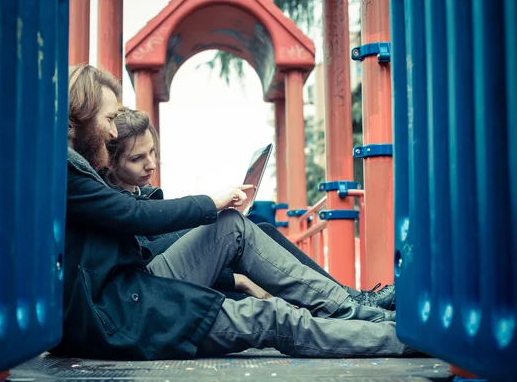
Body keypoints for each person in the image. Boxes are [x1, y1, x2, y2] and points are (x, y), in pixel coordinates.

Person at [53, 64, 414, 361]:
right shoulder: (69, 172)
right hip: (124, 315)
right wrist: (210, 202)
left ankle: (364, 313)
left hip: (132, 297)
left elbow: (135, 229)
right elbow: (135, 219)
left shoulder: (77, 170)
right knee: (273, 317)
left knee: (235, 227)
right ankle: (404, 336)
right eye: (108, 119)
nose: (113, 131)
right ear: (75, 121)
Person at [102, 106, 395, 309]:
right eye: (137, 159)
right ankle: (349, 305)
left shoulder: (145, 194)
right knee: (262, 297)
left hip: (184, 277)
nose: (151, 163)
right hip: (151, 293)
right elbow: (153, 253)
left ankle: (351, 299)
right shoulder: (116, 204)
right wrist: (236, 276)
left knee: (262, 229)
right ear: (111, 162)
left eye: (153, 152)